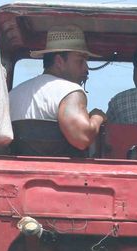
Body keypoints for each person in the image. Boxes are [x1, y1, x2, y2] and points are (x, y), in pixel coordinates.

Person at [8, 25, 106, 156]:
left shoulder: (14, 94)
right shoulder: (69, 91)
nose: (86, 69)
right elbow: (82, 138)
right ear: (59, 61)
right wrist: (97, 117)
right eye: (80, 61)